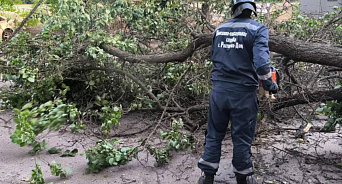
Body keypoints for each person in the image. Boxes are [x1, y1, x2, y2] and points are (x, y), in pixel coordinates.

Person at [197, 0, 278, 184]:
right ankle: (243, 177)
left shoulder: (219, 29)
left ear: (234, 9)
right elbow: (263, 66)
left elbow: (215, 57)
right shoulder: (258, 30)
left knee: (214, 133)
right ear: (252, 9)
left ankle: (207, 177)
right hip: (242, 95)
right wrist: (270, 86)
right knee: (241, 136)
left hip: (218, 92)